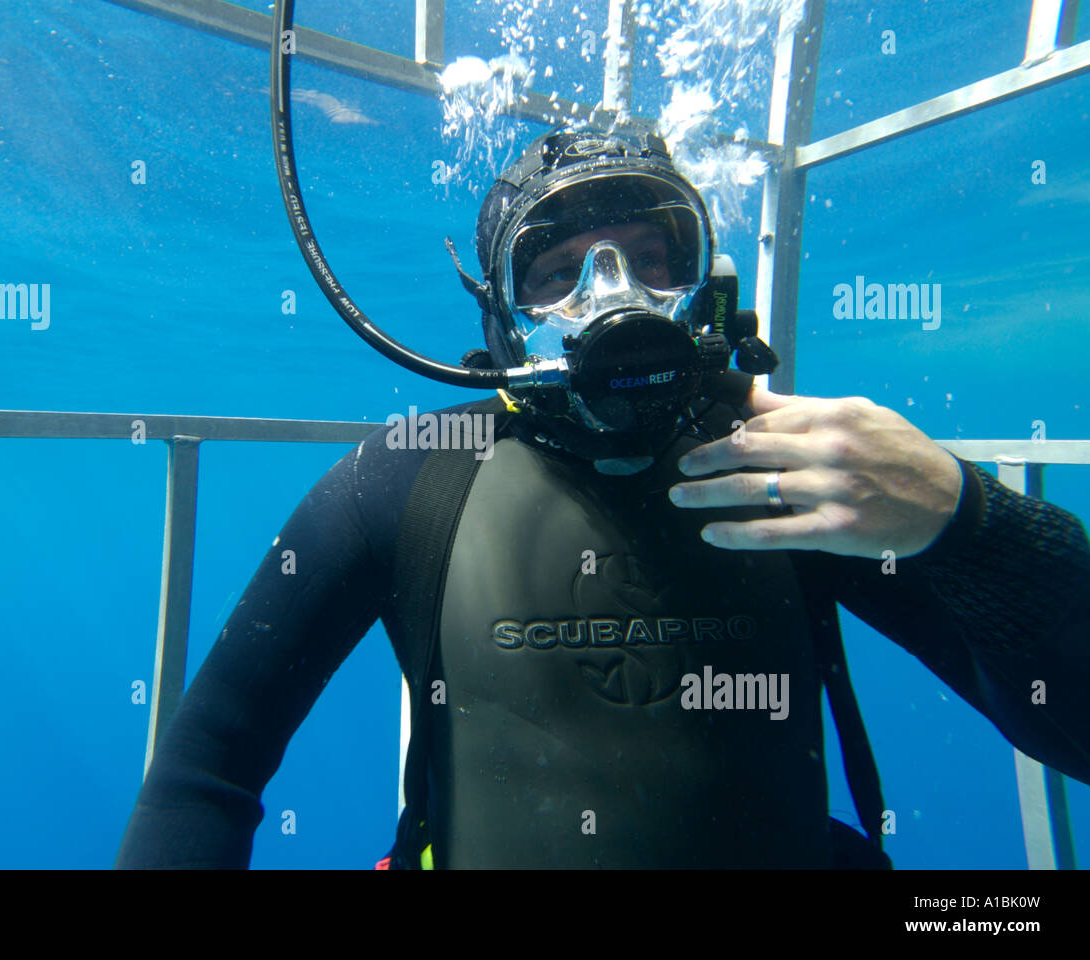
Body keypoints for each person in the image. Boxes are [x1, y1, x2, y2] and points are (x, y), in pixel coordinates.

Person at [114, 127, 1090, 869]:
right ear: (501, 321)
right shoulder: (409, 478)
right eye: (556, 273)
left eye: (649, 257)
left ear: (705, 286)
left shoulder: (793, 471)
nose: (612, 295)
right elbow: (208, 771)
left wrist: (970, 520)